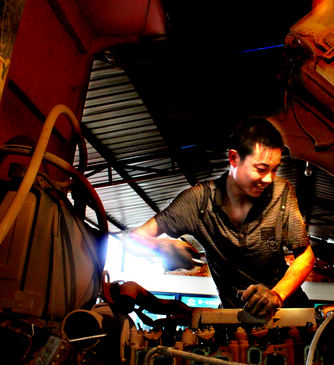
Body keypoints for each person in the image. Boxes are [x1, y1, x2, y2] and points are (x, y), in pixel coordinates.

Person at [130, 118, 315, 319]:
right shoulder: (199, 202)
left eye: (275, 169)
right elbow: (136, 237)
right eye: (261, 169)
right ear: (234, 158)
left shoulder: (282, 192)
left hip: (288, 312)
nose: (269, 179)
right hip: (236, 317)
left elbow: (305, 255)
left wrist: (276, 294)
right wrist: (159, 246)